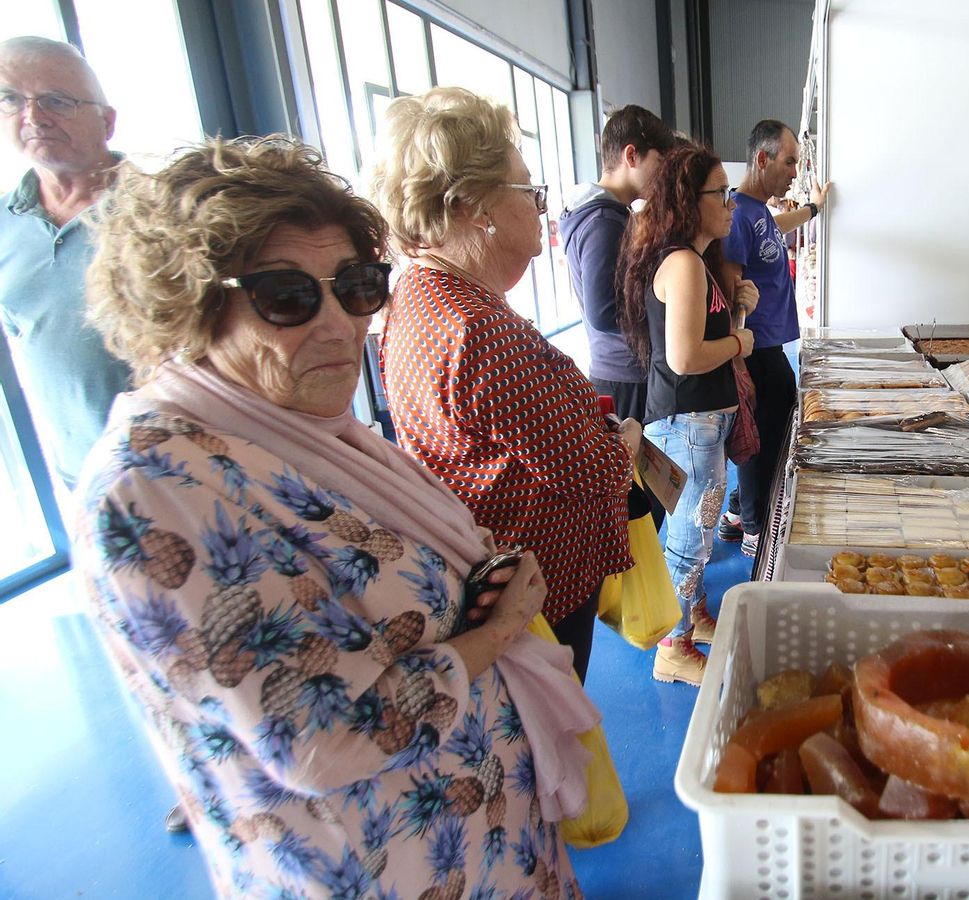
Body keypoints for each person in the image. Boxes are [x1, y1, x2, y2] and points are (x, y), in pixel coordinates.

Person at [78, 135, 593, 897]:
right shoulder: (154, 488)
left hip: (480, 845)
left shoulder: (299, 428)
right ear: (190, 303)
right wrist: (494, 634)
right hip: (378, 869)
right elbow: (322, 739)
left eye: (355, 285)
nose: (337, 323)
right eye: (286, 295)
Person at [372, 87, 636, 683]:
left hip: (493, 576)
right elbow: (595, 471)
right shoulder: (478, 330)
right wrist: (627, 441)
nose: (541, 207)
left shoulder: (417, 301)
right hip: (536, 594)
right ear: (476, 208)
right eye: (529, 191)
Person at [617, 143, 755, 686]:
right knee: (692, 534)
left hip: (699, 422)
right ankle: (672, 647)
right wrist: (742, 340)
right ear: (688, 200)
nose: (730, 204)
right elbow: (686, 357)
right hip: (689, 422)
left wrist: (740, 305)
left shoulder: (696, 263)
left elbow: (701, 337)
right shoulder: (682, 262)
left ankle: (692, 617)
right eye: (720, 193)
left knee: (693, 526)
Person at [0, 36, 132, 490]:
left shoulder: (168, 210)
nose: (33, 117)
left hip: (191, 469)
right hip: (81, 480)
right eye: (9, 99)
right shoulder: (4, 224)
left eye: (56, 101)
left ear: (107, 121)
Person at [558, 104, 674, 526]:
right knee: (639, 503)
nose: (662, 175)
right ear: (631, 156)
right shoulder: (603, 220)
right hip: (624, 376)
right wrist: (667, 313)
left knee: (645, 497)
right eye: (659, 161)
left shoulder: (606, 214)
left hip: (621, 370)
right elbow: (604, 311)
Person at [718, 119, 830, 556]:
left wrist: (815, 210)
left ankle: (736, 510)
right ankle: (754, 525)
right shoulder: (737, 215)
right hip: (756, 350)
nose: (793, 172)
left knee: (774, 425)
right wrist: (738, 359)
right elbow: (732, 293)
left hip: (771, 346)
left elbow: (779, 226)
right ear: (762, 159)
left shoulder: (758, 209)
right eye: (789, 162)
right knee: (761, 435)